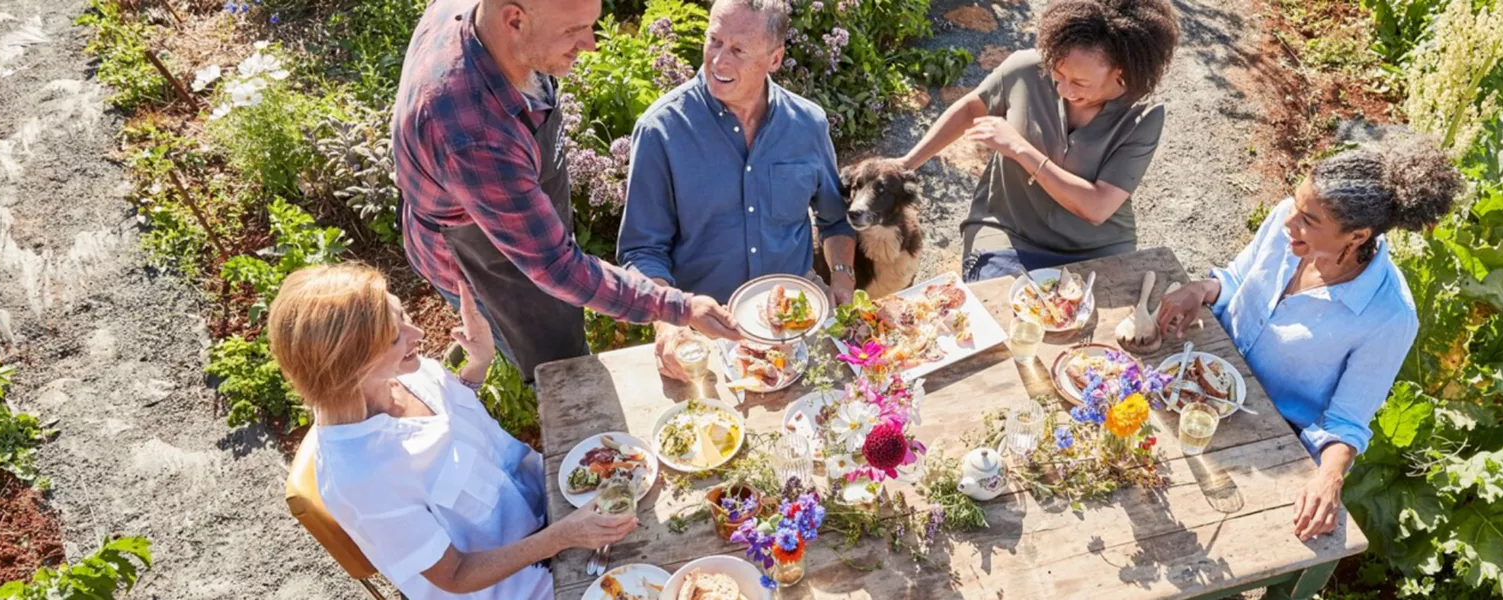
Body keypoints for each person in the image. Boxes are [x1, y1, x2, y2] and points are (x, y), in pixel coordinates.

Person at [392, 0, 741, 385]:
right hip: (476, 252)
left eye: (591, 25)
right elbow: (557, 266)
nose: (590, 45)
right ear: (514, 20)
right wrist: (679, 307)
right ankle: (498, 366)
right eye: (573, 32)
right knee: (558, 367)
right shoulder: (474, 137)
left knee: (563, 314)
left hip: (494, 201)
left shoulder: (490, 26)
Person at [1154, 137, 1462, 543]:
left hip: (1265, 438)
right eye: (1295, 205)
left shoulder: (1390, 316)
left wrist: (1329, 477)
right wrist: (1201, 289)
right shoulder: (1289, 222)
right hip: (1193, 379)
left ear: (1357, 235)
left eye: (1308, 220)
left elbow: (1347, 422)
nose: (1288, 223)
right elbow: (1235, 280)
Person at [269, 264, 636, 599]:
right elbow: (455, 575)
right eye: (395, 337)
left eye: (404, 315)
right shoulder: (360, 479)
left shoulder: (403, 374)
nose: (417, 333)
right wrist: (564, 537)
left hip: (558, 503)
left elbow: (447, 431)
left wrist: (478, 365)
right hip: (523, 584)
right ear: (352, 365)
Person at [617, 0, 855, 378]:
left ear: (774, 59)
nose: (718, 61)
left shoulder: (808, 125)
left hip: (798, 318)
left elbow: (835, 219)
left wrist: (842, 273)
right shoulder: (660, 131)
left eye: (738, 50)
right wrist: (668, 322)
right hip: (704, 327)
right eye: (714, 41)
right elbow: (642, 250)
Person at [881, 0, 1180, 281]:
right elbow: (973, 108)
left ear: (1121, 72)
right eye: (1058, 74)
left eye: (1079, 83)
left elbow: (1097, 207)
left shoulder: (1142, 119)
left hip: (1098, 248)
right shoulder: (1025, 68)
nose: (1063, 89)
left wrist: (1020, 149)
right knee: (1002, 325)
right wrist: (906, 163)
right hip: (1007, 233)